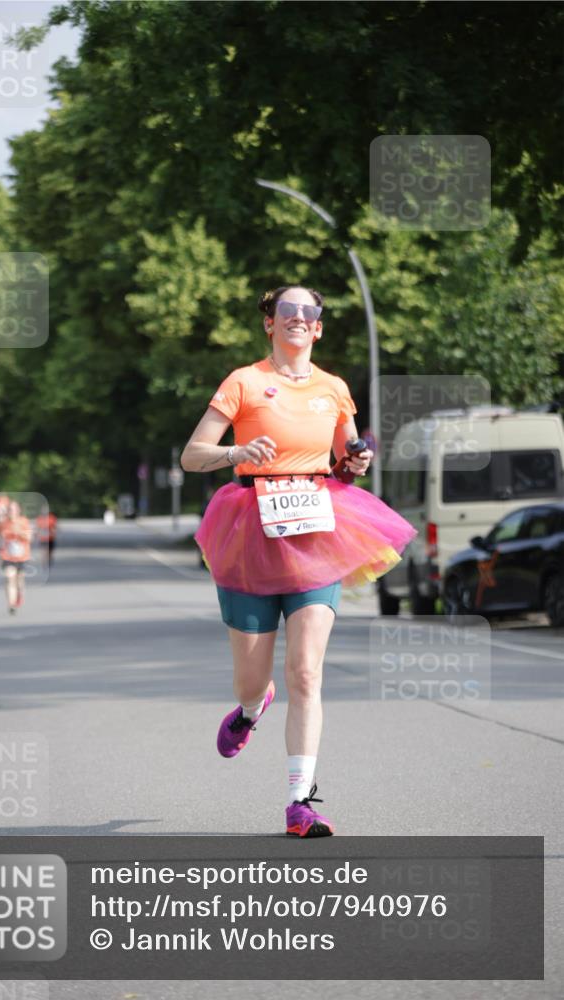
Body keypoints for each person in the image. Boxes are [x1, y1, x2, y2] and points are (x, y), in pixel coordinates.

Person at [181, 285, 417, 838]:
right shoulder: (243, 382)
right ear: (270, 323)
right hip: (249, 530)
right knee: (252, 678)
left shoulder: (333, 388)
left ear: (318, 328)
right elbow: (193, 456)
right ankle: (248, 710)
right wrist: (236, 452)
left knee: (306, 672)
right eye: (286, 311)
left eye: (308, 313)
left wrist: (355, 461)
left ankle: (300, 802)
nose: (297, 319)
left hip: (315, 528)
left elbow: (346, 462)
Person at [0, 501, 32, 614]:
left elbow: (29, 537)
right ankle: (11, 604)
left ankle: (19, 594)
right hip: (7, 556)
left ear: (18, 510)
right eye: (10, 510)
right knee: (9, 578)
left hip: (22, 556)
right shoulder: (3, 523)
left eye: (13, 509)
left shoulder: (24, 521)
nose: (11, 512)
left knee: (19, 581)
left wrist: (19, 532)